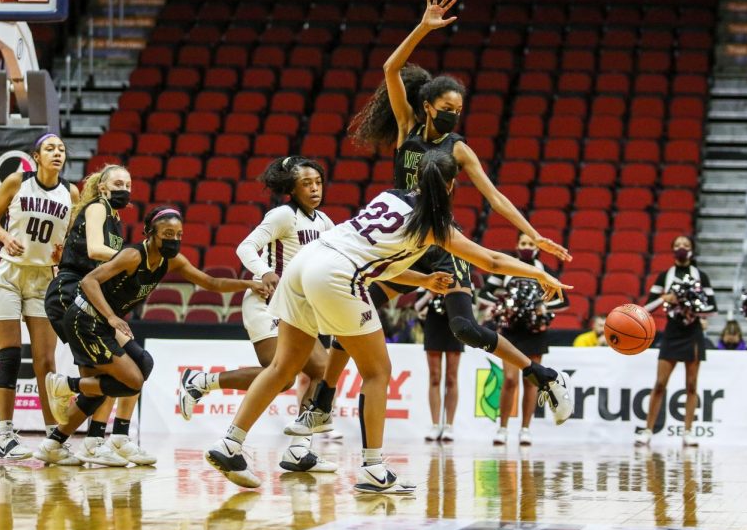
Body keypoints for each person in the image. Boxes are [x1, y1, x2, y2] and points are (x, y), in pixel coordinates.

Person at [285, 0, 572, 438]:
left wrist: (533, 236)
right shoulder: (406, 128)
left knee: (464, 328)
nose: (452, 117)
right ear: (427, 107)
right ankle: (321, 404)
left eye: (458, 111)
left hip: (438, 237)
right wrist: (423, 27)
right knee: (356, 309)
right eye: (445, 110)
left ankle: (546, 377)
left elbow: (495, 198)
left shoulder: (459, 149)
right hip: (399, 237)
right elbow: (390, 68)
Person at [203, 150, 573, 494]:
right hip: (335, 274)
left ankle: (229, 443)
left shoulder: (390, 195)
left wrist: (423, 280)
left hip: (304, 263)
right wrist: (540, 275)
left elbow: (379, 255)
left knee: (284, 366)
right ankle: (373, 467)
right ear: (451, 185)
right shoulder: (435, 224)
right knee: (378, 371)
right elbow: (490, 261)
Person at [34, 206, 266, 465]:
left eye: (179, 234)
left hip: (102, 323)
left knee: (140, 367)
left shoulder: (172, 261)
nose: (174, 239)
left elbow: (211, 283)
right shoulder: (133, 255)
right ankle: (66, 386)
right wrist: (112, 316)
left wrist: (248, 283)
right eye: (168, 233)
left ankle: (54, 443)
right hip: (85, 319)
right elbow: (89, 281)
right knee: (131, 381)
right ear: (150, 234)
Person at [177, 156, 336, 472]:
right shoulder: (283, 215)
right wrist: (264, 272)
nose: (315, 188)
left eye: (318, 182)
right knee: (283, 374)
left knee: (320, 370)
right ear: (292, 187)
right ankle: (202, 384)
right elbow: (246, 247)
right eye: (307, 183)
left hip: (297, 309)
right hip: (267, 302)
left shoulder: (324, 223)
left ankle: (299, 450)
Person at [44, 163, 154, 467]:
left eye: (129, 184)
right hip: (70, 294)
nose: (125, 188)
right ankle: (93, 439)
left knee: (137, 365)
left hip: (90, 296)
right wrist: (136, 258)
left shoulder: (114, 218)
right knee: (113, 375)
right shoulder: (97, 207)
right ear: (103, 187)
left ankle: (78, 441)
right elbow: (94, 249)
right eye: (118, 182)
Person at [0, 133, 79, 460]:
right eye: (50, 149)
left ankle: (53, 436)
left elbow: (74, 236)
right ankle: (6, 436)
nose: (57, 153)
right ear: (36, 156)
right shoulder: (16, 181)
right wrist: (6, 237)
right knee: (9, 355)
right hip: (7, 275)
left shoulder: (71, 192)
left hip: (43, 279)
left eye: (61, 149)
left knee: (46, 362)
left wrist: (67, 250)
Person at [480, 233, 569, 446]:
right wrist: (504, 303)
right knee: (509, 380)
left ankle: (525, 429)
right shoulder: (507, 266)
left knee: (531, 382)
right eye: (523, 243)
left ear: (537, 247)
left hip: (535, 331)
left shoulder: (545, 270)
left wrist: (542, 307)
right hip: (510, 330)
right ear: (517, 245)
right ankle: (502, 428)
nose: (527, 247)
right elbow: (484, 294)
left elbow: (563, 300)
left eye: (530, 243)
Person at [635, 235, 716, 448]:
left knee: (691, 385)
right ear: (672, 249)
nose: (682, 248)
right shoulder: (665, 275)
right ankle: (647, 430)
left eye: (686, 245)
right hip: (672, 332)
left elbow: (713, 309)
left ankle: (688, 432)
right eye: (678, 244)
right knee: (660, 384)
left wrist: (693, 306)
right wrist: (664, 298)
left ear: (692, 250)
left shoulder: (702, 276)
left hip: (693, 333)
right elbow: (646, 307)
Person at [415, 291, 462, 442]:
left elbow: (471, 304)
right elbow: (417, 306)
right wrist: (430, 293)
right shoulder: (427, 275)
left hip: (455, 324)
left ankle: (449, 425)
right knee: (434, 376)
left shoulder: (462, 274)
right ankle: (435, 425)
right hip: (433, 324)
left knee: (451, 377)